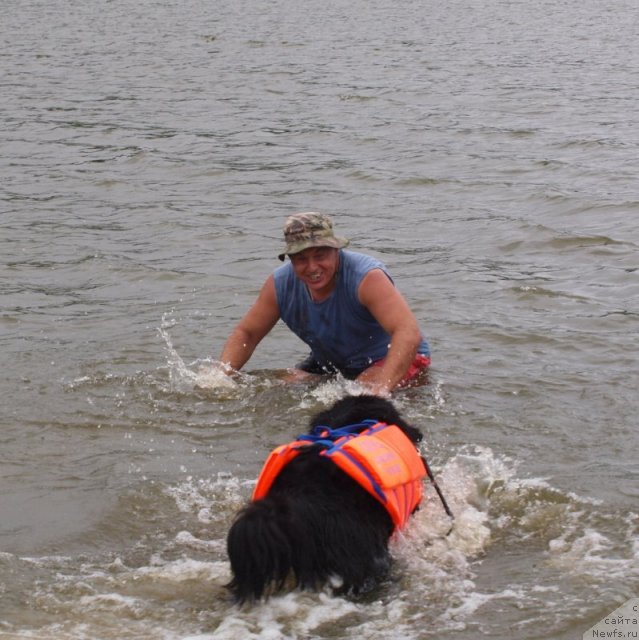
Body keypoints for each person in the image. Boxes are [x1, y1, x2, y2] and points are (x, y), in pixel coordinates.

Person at [218, 212, 430, 395]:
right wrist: (220, 376)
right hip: (335, 363)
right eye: (301, 259)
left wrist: (381, 390)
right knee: (275, 385)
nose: (312, 267)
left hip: (393, 357)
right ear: (290, 260)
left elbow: (408, 332)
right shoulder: (279, 284)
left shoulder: (367, 277)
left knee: (360, 395)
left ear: (336, 250)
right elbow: (247, 334)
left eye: (320, 256)